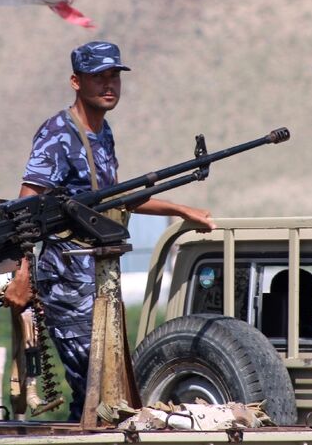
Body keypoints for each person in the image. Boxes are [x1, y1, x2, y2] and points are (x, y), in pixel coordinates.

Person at [18, 41, 216, 421]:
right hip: (66, 278)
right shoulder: (58, 133)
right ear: (76, 82)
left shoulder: (102, 133)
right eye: (98, 77)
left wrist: (179, 209)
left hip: (98, 276)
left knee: (104, 391)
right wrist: (24, 275)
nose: (109, 85)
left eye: (114, 77)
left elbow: (115, 198)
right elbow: (26, 210)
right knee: (97, 390)